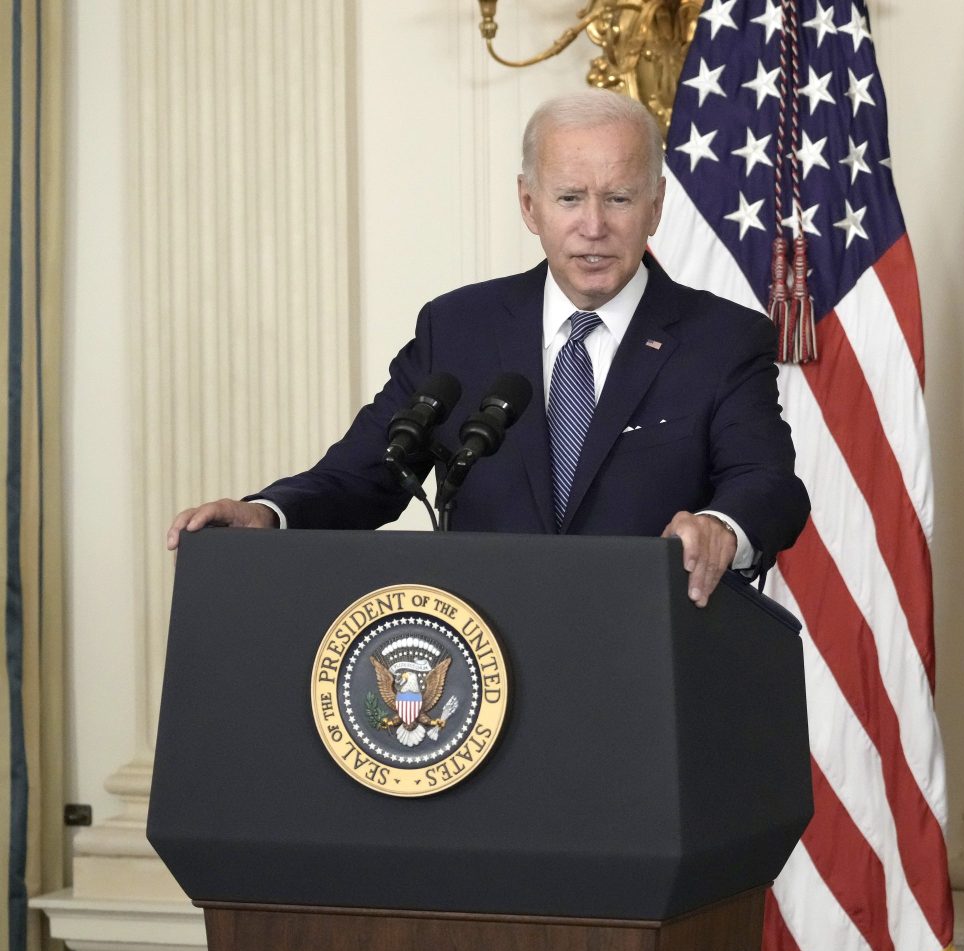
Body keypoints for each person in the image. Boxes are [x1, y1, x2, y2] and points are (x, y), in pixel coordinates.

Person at [166, 90, 809, 607]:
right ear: (529, 205)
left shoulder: (722, 338)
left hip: (651, 659)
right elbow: (366, 472)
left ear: (655, 206)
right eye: (568, 198)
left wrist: (722, 527)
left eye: (617, 198)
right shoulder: (459, 327)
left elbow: (769, 482)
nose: (593, 226)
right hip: (487, 672)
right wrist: (266, 513)